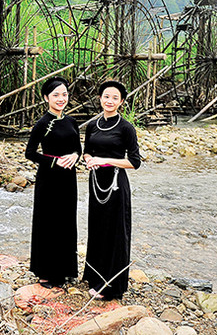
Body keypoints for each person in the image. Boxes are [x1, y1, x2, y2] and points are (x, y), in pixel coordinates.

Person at [82, 80, 141, 300]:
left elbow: (135, 162)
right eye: (106, 96)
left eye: (115, 98)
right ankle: (95, 277)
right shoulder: (93, 125)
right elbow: (87, 151)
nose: (110, 101)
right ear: (100, 99)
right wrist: (90, 160)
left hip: (116, 185)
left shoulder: (126, 128)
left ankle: (112, 287)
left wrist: (106, 160)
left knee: (116, 232)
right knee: (97, 228)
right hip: (96, 182)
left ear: (122, 102)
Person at [25, 76, 82, 288]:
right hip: (49, 179)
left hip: (68, 178)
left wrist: (75, 157)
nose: (61, 98)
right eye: (56, 95)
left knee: (66, 221)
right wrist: (54, 162)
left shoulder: (72, 122)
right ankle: (45, 273)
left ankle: (66, 270)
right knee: (48, 222)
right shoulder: (42, 123)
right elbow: (30, 153)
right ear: (46, 98)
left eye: (64, 94)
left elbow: (78, 148)